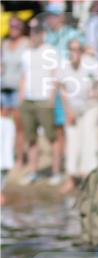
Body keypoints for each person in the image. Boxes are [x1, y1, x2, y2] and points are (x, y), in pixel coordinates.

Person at [57, 38, 98, 194]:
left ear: (82, 51)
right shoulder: (64, 66)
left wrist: (96, 93)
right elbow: (62, 89)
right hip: (72, 109)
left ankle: (88, 177)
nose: (74, 53)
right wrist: (67, 110)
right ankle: (71, 177)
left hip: (90, 107)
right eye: (71, 49)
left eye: (77, 49)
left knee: (89, 140)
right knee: (72, 142)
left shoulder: (91, 63)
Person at [19, 18, 61, 186]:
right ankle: (33, 171)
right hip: (28, 100)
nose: (34, 35)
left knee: (52, 137)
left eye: (37, 32)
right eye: (32, 32)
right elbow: (23, 77)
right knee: (30, 138)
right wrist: (21, 97)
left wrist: (51, 98)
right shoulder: (26, 53)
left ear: (43, 34)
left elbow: (55, 76)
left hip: (44, 99)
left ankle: (56, 171)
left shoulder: (50, 51)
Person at [2, 17, 30, 170]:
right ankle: (5, 156)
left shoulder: (26, 43)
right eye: (11, 25)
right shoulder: (5, 44)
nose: (13, 28)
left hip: (18, 90)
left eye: (16, 26)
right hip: (3, 88)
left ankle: (19, 158)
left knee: (19, 126)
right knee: (3, 125)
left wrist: (23, 91)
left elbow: (27, 69)